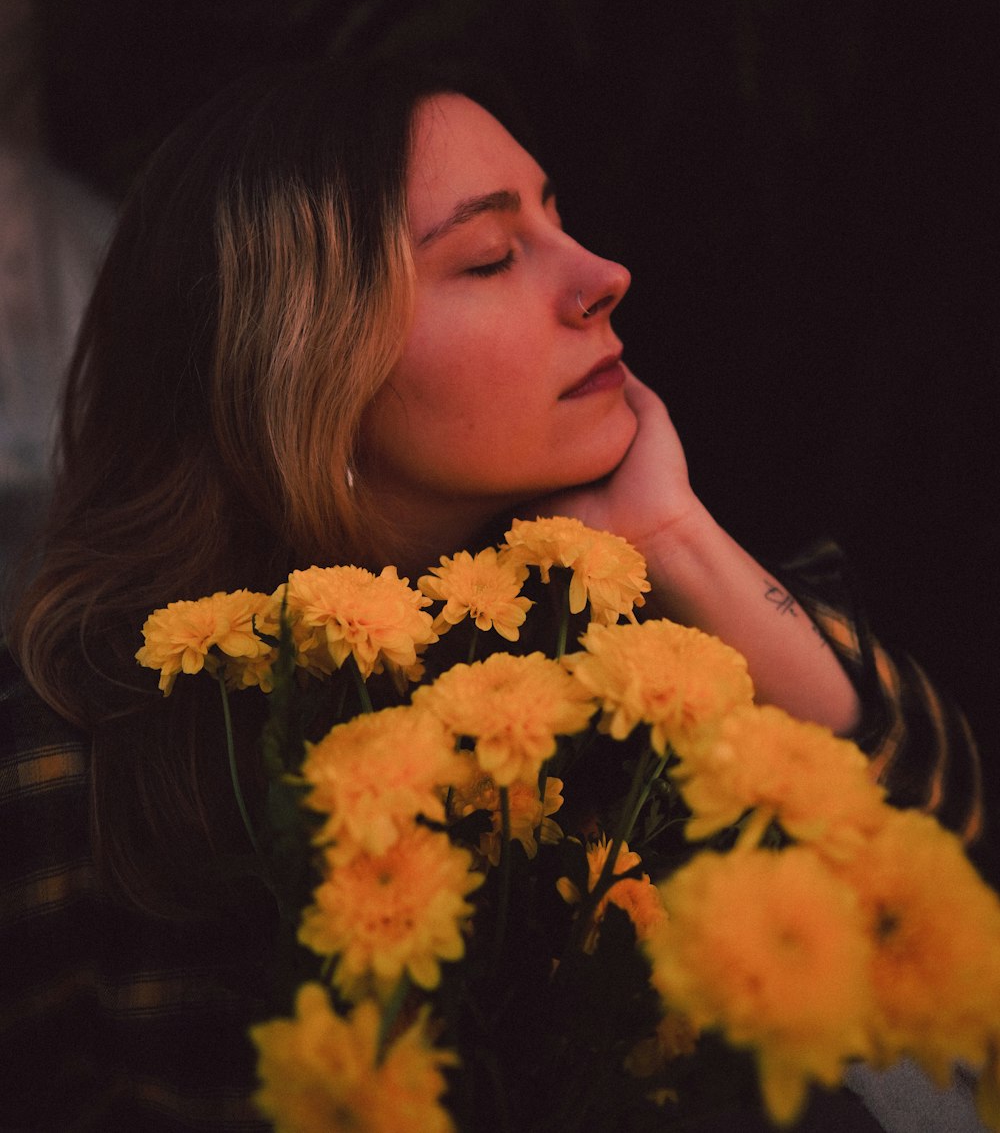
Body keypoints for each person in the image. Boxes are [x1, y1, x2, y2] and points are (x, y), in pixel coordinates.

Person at [0, 61, 984, 1130]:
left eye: (559, 220)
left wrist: (672, 537)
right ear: (299, 364)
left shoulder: (642, 657)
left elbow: (947, 858)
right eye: (490, 256)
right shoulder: (64, 762)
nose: (604, 273)